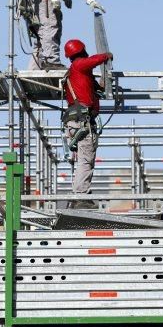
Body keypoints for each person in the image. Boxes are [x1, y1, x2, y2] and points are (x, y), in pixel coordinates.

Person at [62, 39, 112, 209]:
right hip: (82, 122)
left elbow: (91, 86)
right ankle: (81, 196)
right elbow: (93, 61)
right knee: (85, 161)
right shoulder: (79, 65)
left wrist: (100, 86)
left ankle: (80, 193)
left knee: (83, 160)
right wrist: (106, 55)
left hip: (75, 122)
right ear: (82, 51)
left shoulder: (76, 72)